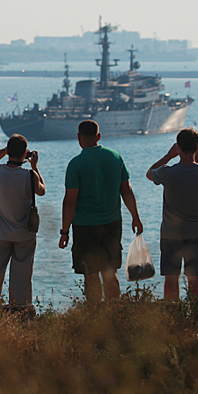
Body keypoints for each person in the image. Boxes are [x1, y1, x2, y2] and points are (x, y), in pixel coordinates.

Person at [59, 120, 142, 303]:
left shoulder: (76, 164)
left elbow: (70, 203)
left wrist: (64, 232)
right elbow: (126, 190)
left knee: (90, 275)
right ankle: (115, 312)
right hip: (112, 224)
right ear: (99, 136)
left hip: (84, 226)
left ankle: (95, 316)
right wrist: (135, 217)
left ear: (79, 138)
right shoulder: (115, 157)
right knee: (110, 272)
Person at [146, 128, 198, 301]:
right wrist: (196, 156)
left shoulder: (167, 172)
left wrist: (169, 156)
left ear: (178, 147)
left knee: (171, 278)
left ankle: (173, 316)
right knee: (195, 279)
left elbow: (149, 173)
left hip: (171, 233)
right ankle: (197, 315)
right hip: (196, 232)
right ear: (196, 147)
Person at [0, 134, 46, 310]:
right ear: (25, 153)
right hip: (24, 234)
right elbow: (42, 191)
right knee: (21, 274)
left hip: (0, 233)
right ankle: (20, 308)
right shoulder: (30, 176)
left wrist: (7, 150)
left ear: (9, 151)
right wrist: (35, 166)